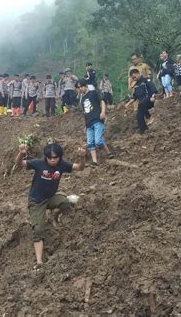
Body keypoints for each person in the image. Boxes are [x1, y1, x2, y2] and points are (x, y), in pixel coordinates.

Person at [15, 143, 86, 271]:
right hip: (36, 201)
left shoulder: (62, 165)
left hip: (50, 198)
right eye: (50, 157)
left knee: (66, 203)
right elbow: (20, 164)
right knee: (38, 230)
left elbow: (80, 168)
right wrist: (21, 153)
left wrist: (82, 157)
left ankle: (54, 215)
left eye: (55, 157)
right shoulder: (39, 163)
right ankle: (39, 261)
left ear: (59, 157)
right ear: (46, 157)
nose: (53, 160)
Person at [77, 79, 114, 167]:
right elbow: (85, 113)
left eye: (82, 86)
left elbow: (102, 101)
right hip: (88, 123)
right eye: (79, 87)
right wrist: (85, 125)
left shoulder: (93, 93)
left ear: (85, 85)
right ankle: (95, 161)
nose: (80, 89)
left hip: (97, 120)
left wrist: (103, 112)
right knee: (90, 143)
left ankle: (108, 152)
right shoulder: (83, 99)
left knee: (98, 141)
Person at [125, 69, 158, 135]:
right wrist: (128, 103)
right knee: (138, 116)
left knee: (141, 103)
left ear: (138, 73)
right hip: (142, 105)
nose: (134, 79)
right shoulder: (136, 86)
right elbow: (134, 97)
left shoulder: (146, 80)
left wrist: (153, 96)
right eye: (132, 78)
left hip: (149, 100)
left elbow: (153, 88)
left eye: (134, 77)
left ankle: (149, 117)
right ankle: (144, 131)